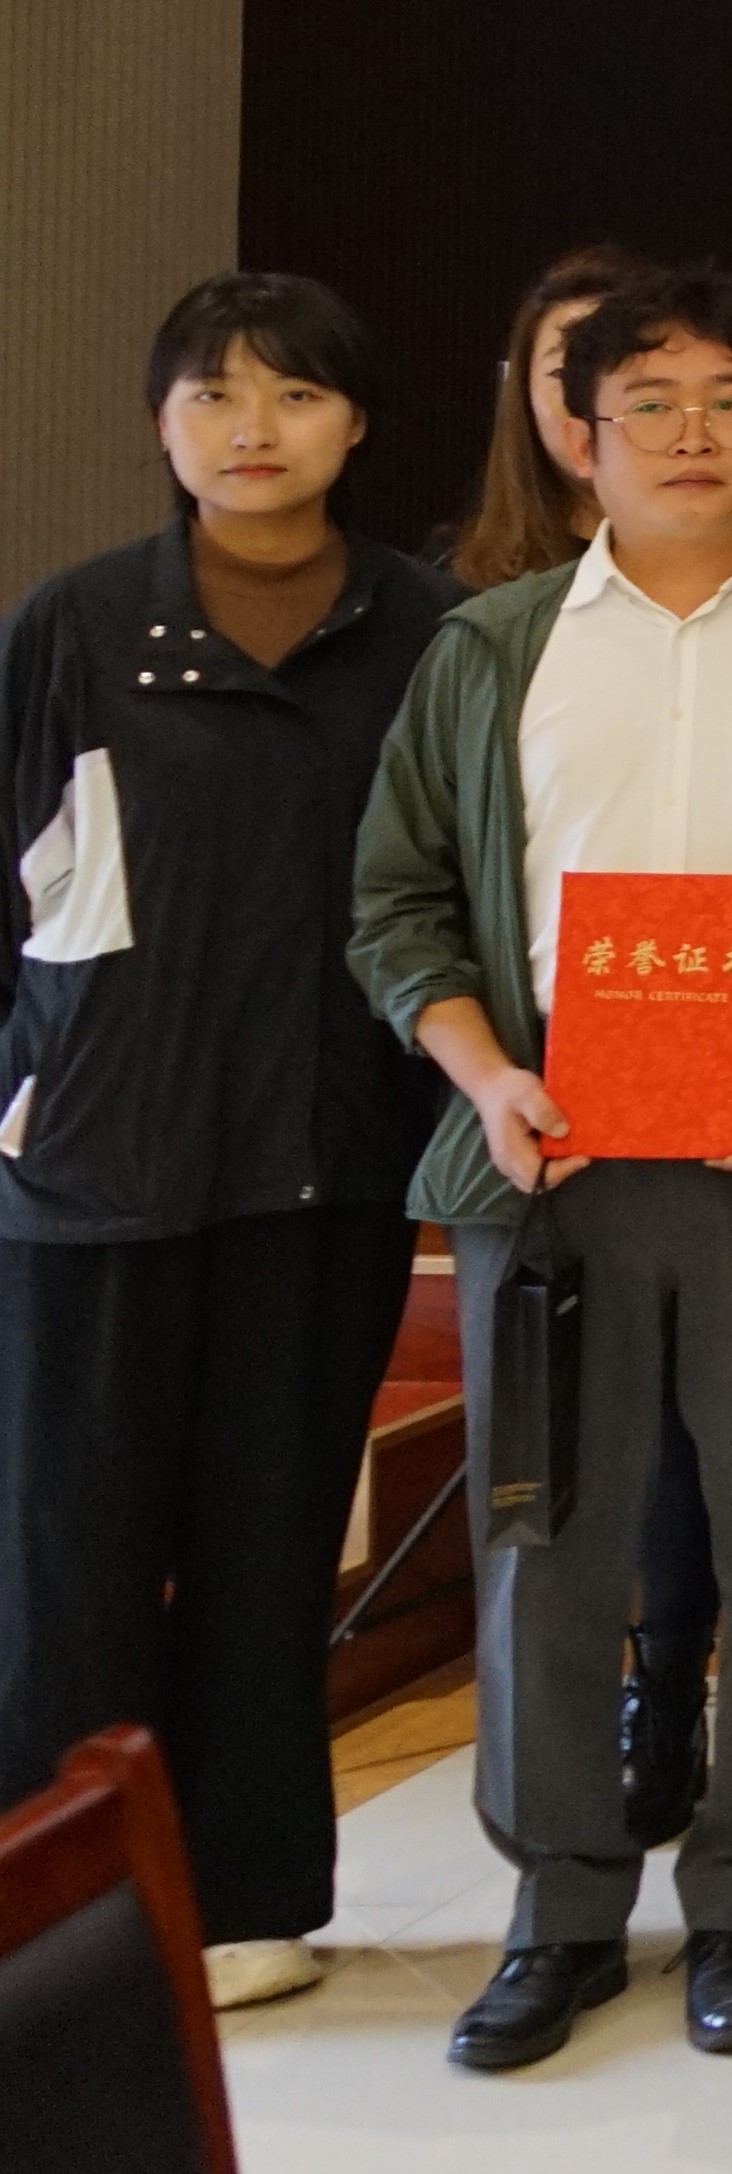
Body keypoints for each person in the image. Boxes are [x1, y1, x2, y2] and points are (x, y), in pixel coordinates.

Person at [349, 266, 732, 2072]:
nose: (692, 432)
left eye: (731, 398)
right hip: (553, 1148)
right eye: (649, 403)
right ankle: (561, 1910)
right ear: (580, 438)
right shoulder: (493, 644)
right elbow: (397, 902)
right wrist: (487, 1074)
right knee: (546, 1534)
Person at [0, 277, 459, 2013]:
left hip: (326, 1161)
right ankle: (60, 1907)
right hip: (92, 1162)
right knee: (69, 1555)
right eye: (212, 393)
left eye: (294, 393)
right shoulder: (74, 625)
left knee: (270, 1543)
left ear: (356, 421)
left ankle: (252, 1889)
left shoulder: (430, 633)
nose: (252, 427)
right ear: (162, 422)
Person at [449, 244, 650, 591]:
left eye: (619, 371)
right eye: (564, 373)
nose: (591, 397)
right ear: (522, 393)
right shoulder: (455, 579)